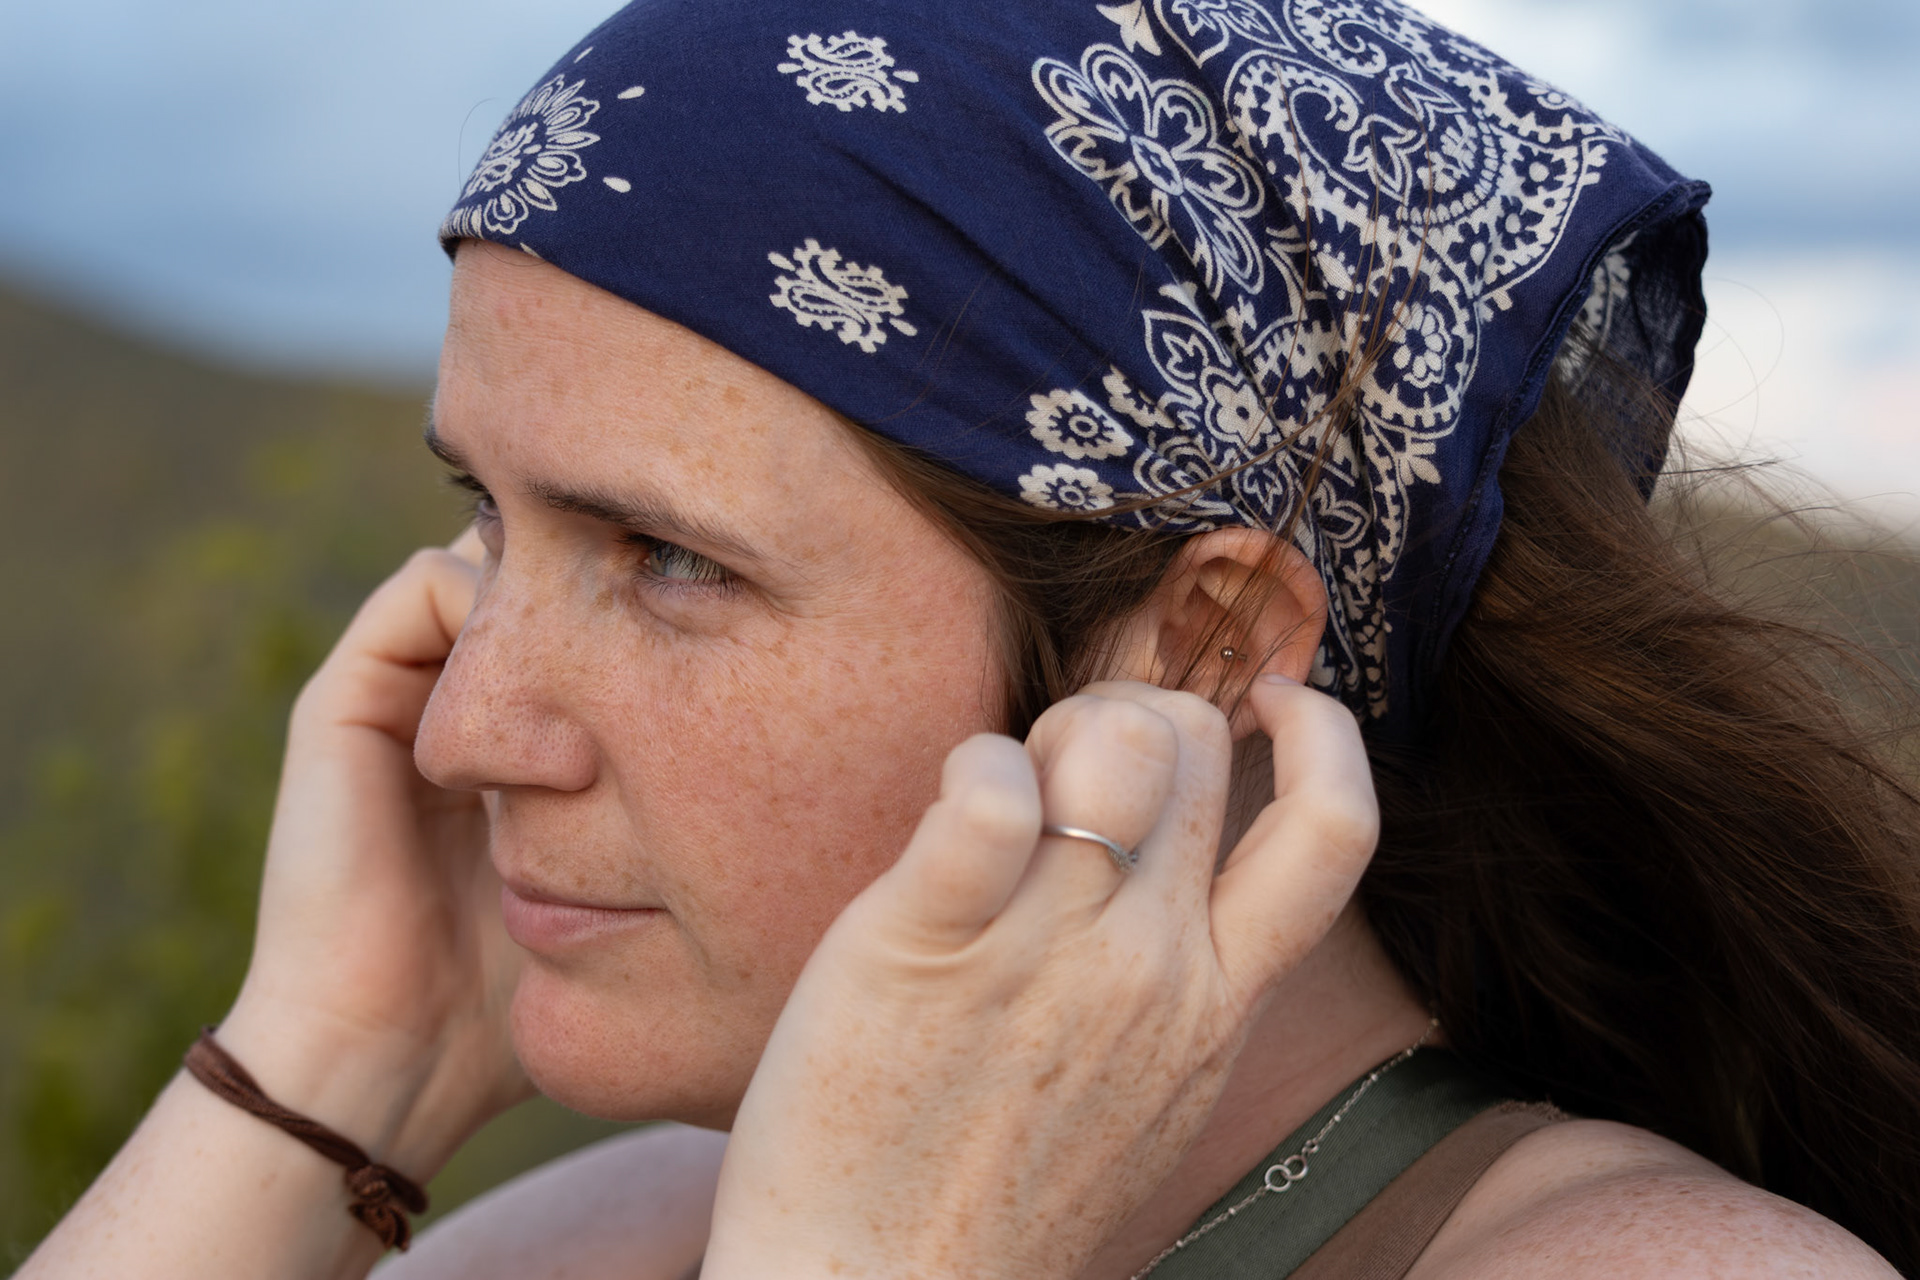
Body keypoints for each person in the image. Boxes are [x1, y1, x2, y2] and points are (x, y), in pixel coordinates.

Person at [19, 0, 1920, 1276]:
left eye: (669, 559)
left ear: (1198, 652)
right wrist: (332, 1067)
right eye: (489, 519)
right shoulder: (628, 1237)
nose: (463, 731)